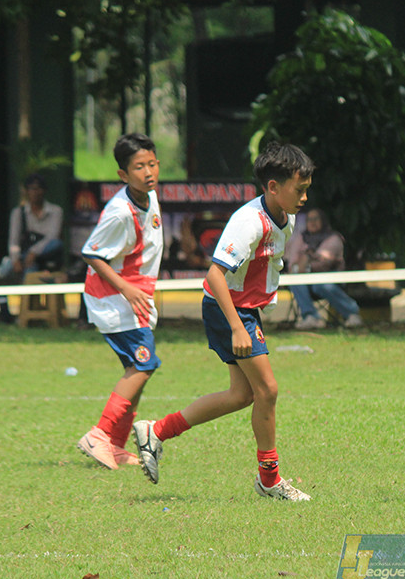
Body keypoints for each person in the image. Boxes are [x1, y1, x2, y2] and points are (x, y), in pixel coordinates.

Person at [132, 141, 314, 501]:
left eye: (307, 189)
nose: (305, 197)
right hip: (226, 307)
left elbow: (269, 263)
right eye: (300, 189)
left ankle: (157, 431)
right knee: (267, 390)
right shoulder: (248, 222)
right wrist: (236, 326)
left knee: (242, 395)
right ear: (273, 187)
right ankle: (270, 479)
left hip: (243, 309)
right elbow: (215, 275)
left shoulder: (286, 217)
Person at [75, 133, 164, 470]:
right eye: (139, 167)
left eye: (152, 164)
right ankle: (99, 434)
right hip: (115, 299)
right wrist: (126, 289)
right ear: (123, 175)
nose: (148, 172)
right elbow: (91, 253)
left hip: (136, 297)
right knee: (144, 365)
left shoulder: (149, 197)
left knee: (137, 370)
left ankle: (114, 445)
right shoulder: (119, 213)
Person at [284, 206, 364, 329]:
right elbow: (292, 263)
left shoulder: (334, 238)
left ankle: (352, 313)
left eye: (316, 219)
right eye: (309, 219)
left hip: (330, 279)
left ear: (323, 221)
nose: (312, 222)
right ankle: (311, 317)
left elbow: (323, 263)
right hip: (306, 281)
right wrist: (305, 262)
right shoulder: (301, 238)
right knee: (295, 281)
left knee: (321, 285)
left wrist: (305, 260)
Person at [0, 173, 64, 281]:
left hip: (45, 252)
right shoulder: (18, 212)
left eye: (38, 189)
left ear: (44, 190)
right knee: (23, 267)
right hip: (25, 254)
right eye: (32, 189)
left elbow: (53, 236)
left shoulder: (56, 211)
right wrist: (15, 259)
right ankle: (12, 264)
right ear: (26, 191)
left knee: (56, 243)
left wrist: (33, 252)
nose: (35, 193)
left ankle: (10, 264)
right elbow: (14, 240)